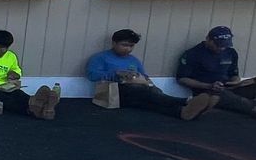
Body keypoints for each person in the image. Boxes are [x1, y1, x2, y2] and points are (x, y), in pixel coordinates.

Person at [176, 25, 256, 124]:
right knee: (237, 101)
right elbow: (182, 79)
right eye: (218, 45)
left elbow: (234, 74)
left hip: (230, 87)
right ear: (208, 40)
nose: (221, 48)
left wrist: (236, 81)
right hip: (210, 92)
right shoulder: (193, 54)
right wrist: (209, 85)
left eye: (224, 46)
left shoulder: (231, 53)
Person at [86, 30, 216, 122]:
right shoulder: (101, 57)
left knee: (149, 102)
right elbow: (92, 75)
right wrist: (115, 74)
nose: (127, 49)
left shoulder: (134, 60)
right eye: (124, 45)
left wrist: (146, 82)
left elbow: (145, 76)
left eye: (131, 46)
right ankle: (184, 101)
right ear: (114, 43)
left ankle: (182, 112)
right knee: (145, 94)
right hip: (116, 90)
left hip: (138, 91)